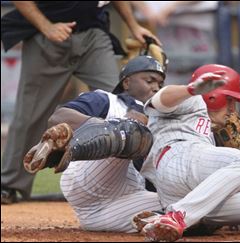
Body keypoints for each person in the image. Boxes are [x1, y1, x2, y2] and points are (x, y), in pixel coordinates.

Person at [1, 1, 161, 204]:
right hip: (49, 34)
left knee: (123, 102)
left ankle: (138, 183)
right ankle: (9, 185)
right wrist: (46, 26)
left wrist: (133, 25)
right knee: (31, 114)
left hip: (94, 33)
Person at [131, 64, 240, 241]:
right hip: (177, 159)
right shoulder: (193, 100)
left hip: (187, 199)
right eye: (230, 100)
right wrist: (191, 90)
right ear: (213, 96)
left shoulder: (210, 134)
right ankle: (177, 216)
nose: (233, 109)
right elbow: (160, 100)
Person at [23, 55, 165, 232]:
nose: (155, 88)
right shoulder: (107, 100)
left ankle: (160, 218)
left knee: (188, 206)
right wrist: (106, 126)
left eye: (160, 85)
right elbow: (58, 118)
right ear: (127, 82)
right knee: (133, 131)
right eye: (150, 80)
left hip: (111, 208)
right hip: (88, 181)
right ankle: (70, 149)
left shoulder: (161, 122)